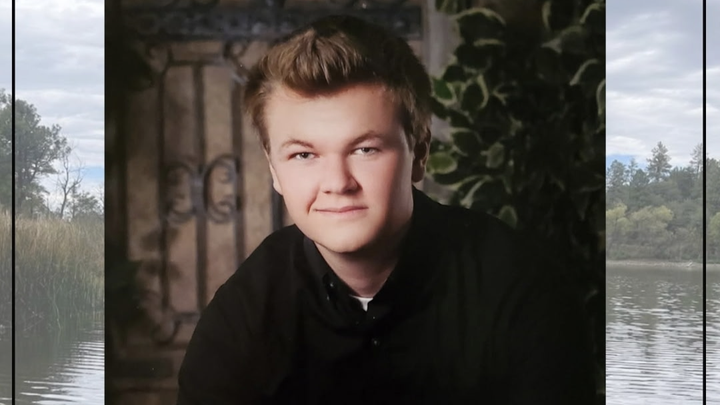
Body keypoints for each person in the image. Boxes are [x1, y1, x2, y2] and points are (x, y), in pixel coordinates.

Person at [177, 14, 596, 405]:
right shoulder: (242, 317)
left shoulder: (521, 288)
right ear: (274, 171)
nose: (338, 183)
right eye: (304, 155)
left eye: (365, 149)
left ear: (420, 152)